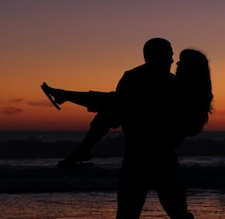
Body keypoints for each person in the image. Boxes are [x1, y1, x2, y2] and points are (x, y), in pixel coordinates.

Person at [41, 38, 213, 219]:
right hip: (156, 156)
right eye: (170, 55)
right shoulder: (164, 83)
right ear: (156, 56)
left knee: (139, 214)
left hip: (144, 156)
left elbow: (110, 103)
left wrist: (68, 95)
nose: (173, 61)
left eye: (176, 58)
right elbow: (111, 103)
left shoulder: (164, 84)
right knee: (162, 213)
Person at [41, 47, 213, 168]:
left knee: (114, 105)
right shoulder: (173, 85)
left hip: (156, 152)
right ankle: (81, 146)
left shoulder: (180, 89)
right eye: (173, 58)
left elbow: (117, 100)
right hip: (150, 153)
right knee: (113, 106)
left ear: (192, 69)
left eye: (181, 62)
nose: (175, 63)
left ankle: (82, 147)